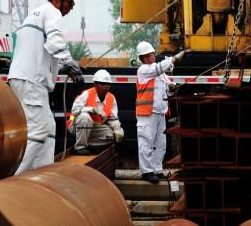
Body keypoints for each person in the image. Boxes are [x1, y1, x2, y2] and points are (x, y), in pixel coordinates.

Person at [7, 0, 85, 175]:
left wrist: (62, 68)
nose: (71, 8)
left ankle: (43, 176)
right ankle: (15, 178)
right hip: (31, 81)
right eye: (70, 2)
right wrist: (70, 63)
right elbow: (56, 40)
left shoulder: (34, 15)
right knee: (39, 129)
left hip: (27, 79)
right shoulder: (52, 12)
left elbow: (39, 54)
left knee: (49, 127)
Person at [135, 41, 189, 184]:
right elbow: (160, 67)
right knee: (146, 142)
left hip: (159, 112)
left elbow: (167, 93)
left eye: (151, 55)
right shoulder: (144, 70)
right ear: (142, 59)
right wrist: (176, 57)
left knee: (160, 143)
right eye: (146, 56)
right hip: (147, 113)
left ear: (154, 54)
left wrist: (172, 89)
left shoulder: (161, 75)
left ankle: (156, 170)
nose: (150, 58)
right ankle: (146, 172)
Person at [68, 69, 124, 155]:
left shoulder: (111, 98)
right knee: (84, 117)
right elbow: (74, 111)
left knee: (113, 135)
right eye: (102, 84)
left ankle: (89, 145)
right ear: (95, 84)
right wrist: (92, 110)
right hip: (76, 126)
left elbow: (113, 119)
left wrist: (117, 129)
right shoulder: (87, 94)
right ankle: (80, 147)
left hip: (94, 129)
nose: (106, 86)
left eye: (108, 84)